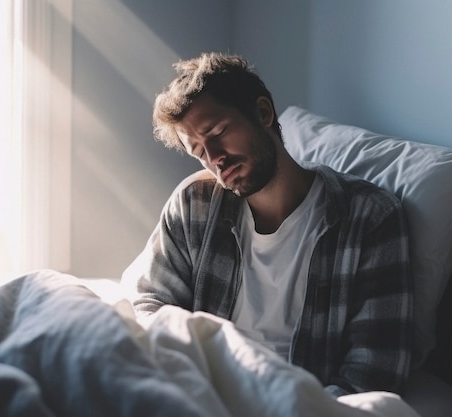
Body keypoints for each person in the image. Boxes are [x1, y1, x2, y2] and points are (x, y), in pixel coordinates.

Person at [120, 52, 413, 397]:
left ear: (262, 113)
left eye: (219, 132)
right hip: (202, 393)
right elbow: (151, 302)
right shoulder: (194, 204)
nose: (215, 159)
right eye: (198, 150)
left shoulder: (370, 218)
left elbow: (374, 370)